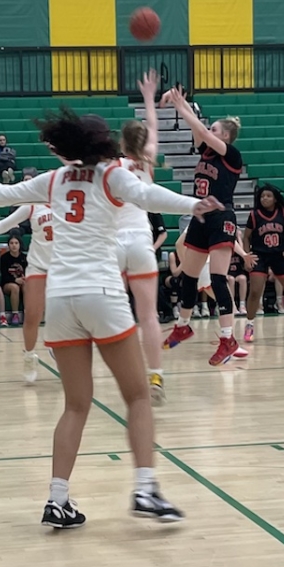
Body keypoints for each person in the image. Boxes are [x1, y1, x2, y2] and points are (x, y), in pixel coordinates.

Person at [0, 110, 221, 529]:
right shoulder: (110, 175)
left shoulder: (54, 180)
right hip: (100, 294)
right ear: (101, 143)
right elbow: (149, 196)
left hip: (60, 300)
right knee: (138, 396)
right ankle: (145, 489)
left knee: (75, 405)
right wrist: (194, 204)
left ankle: (57, 500)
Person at [160, 85, 246, 366]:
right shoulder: (206, 153)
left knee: (218, 279)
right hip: (201, 217)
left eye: (215, 129)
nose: (210, 131)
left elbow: (202, 131)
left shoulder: (231, 155)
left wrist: (181, 106)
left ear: (226, 136)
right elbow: (197, 130)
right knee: (188, 277)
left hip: (222, 218)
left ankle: (228, 339)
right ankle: (183, 326)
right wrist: (180, 103)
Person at [115, 70, 172, 405]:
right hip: (141, 241)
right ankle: (156, 377)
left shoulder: (111, 167)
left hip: (113, 244)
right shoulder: (148, 162)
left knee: (114, 312)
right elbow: (153, 128)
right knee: (148, 315)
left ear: (121, 144)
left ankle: (126, 374)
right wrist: (149, 96)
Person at [0, 166, 53, 383]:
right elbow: (7, 223)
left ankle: (57, 345)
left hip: (62, 267)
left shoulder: (69, 204)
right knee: (32, 315)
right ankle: (29, 356)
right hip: (38, 266)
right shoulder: (33, 205)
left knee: (64, 314)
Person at [242, 184, 284, 343]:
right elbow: (246, 237)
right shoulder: (254, 215)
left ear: (275, 199)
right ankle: (249, 325)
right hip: (260, 255)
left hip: (280, 255)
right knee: (255, 291)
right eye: (262, 196)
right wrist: (247, 255)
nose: (265, 198)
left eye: (268, 196)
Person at [0, 234, 27, 327]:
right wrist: (15, 280)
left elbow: (28, 272)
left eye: (16, 243)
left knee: (26, 286)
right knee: (15, 287)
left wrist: (24, 278)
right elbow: (4, 275)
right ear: (8, 245)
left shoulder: (24, 257)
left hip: (22, 282)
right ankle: (15, 314)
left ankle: (27, 313)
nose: (14, 245)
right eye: (11, 243)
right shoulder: (4, 258)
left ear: (19, 244)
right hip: (8, 284)